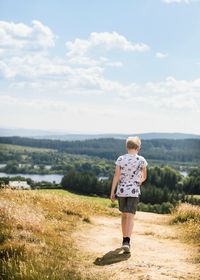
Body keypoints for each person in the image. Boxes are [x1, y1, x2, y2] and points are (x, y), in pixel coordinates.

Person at [110, 136, 148, 253]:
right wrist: (138, 181)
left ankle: (124, 239)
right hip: (134, 192)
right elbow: (144, 177)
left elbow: (116, 176)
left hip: (121, 191)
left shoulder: (120, 159)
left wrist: (112, 192)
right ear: (138, 147)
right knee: (130, 216)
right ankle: (126, 241)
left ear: (127, 147)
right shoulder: (141, 160)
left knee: (124, 215)